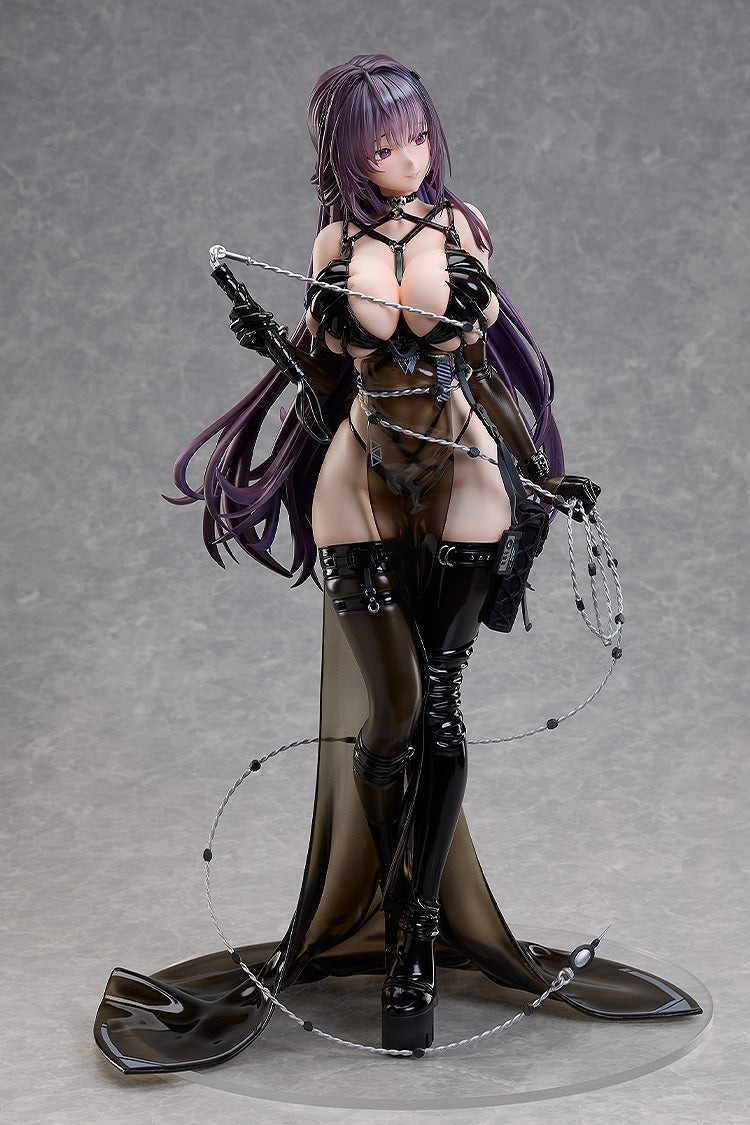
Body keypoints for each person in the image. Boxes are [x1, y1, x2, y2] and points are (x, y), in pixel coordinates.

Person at [94, 55, 700, 1073]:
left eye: (417, 136)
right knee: (395, 711)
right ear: (347, 154)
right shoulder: (333, 243)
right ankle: (391, 906)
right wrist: (272, 347)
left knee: (442, 704)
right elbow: (321, 372)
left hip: (464, 468)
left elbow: (491, 367)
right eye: (383, 145)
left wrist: (543, 472)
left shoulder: (463, 228)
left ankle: (412, 938)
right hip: (360, 473)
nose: (408, 158)